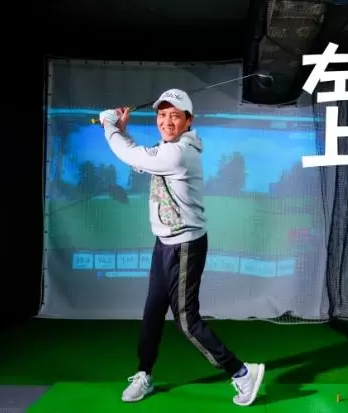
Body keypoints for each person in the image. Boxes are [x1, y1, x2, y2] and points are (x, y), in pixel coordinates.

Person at [98, 89, 265, 407]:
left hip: (185, 245)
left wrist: (109, 126)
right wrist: (122, 131)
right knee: (152, 311)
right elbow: (141, 158)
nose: (166, 121)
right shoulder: (167, 148)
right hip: (165, 243)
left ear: (189, 121)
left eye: (175, 116)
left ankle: (242, 372)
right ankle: (144, 373)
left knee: (187, 320)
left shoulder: (179, 153)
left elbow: (133, 157)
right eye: (161, 115)